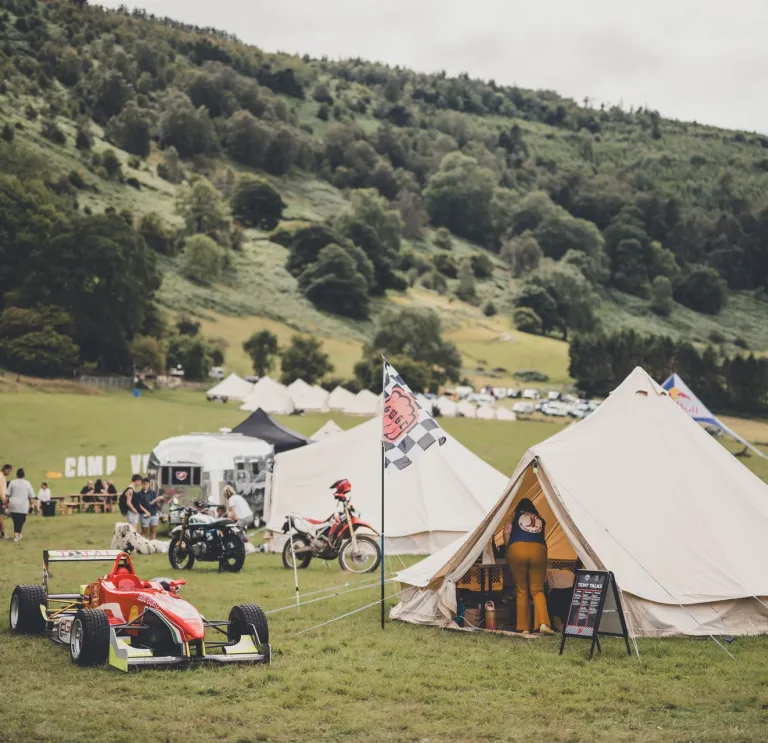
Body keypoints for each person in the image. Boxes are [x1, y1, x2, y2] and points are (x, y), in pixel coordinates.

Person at [505, 497, 554, 635]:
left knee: (522, 589)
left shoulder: (515, 515)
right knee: (537, 590)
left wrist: (508, 550)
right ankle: (543, 624)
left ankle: (524, 628)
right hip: (539, 550)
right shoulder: (539, 519)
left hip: (518, 548)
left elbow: (507, 531)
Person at [7, 468, 35, 541]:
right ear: (24, 475)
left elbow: (8, 494)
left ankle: (17, 534)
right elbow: (31, 496)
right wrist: (32, 504)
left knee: (16, 520)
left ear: (17, 475)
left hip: (13, 504)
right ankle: (17, 534)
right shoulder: (27, 483)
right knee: (21, 519)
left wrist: (5, 503)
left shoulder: (12, 482)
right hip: (23, 505)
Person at [0, 463, 11, 539]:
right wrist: (4, 500)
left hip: (1, 499)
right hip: (0, 499)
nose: (9, 473)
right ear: (5, 469)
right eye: (9, 471)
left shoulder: (3, 477)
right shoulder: (0, 477)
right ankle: (3, 533)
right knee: (1, 518)